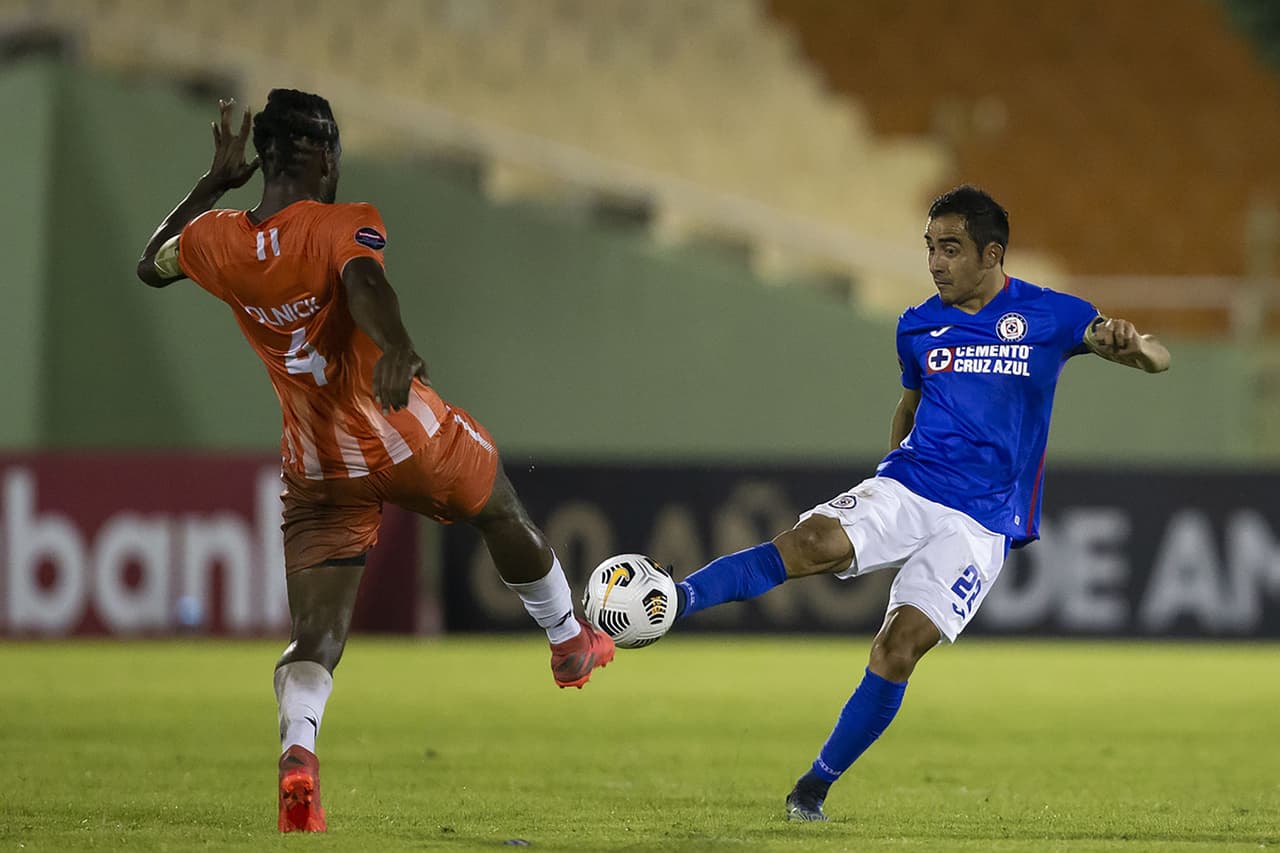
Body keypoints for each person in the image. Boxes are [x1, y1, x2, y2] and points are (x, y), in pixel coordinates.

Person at [135, 91, 615, 833]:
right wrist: (394, 345)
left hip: (316, 465)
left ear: (261, 159)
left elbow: (150, 265)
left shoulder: (217, 241)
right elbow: (365, 283)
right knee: (501, 510)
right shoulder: (341, 221)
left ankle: (300, 754)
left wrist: (211, 185)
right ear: (323, 154)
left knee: (316, 637)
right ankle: (568, 643)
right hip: (402, 432)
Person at [663, 185, 1170, 821]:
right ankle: (671, 601)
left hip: (982, 523)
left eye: (950, 249)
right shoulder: (917, 324)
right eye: (930, 248)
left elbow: (1157, 357)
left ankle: (812, 788)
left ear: (993, 254)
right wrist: (886, 482)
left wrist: (1137, 346)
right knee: (811, 542)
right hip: (910, 485)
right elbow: (908, 406)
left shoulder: (1055, 316)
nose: (935, 263)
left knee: (898, 648)